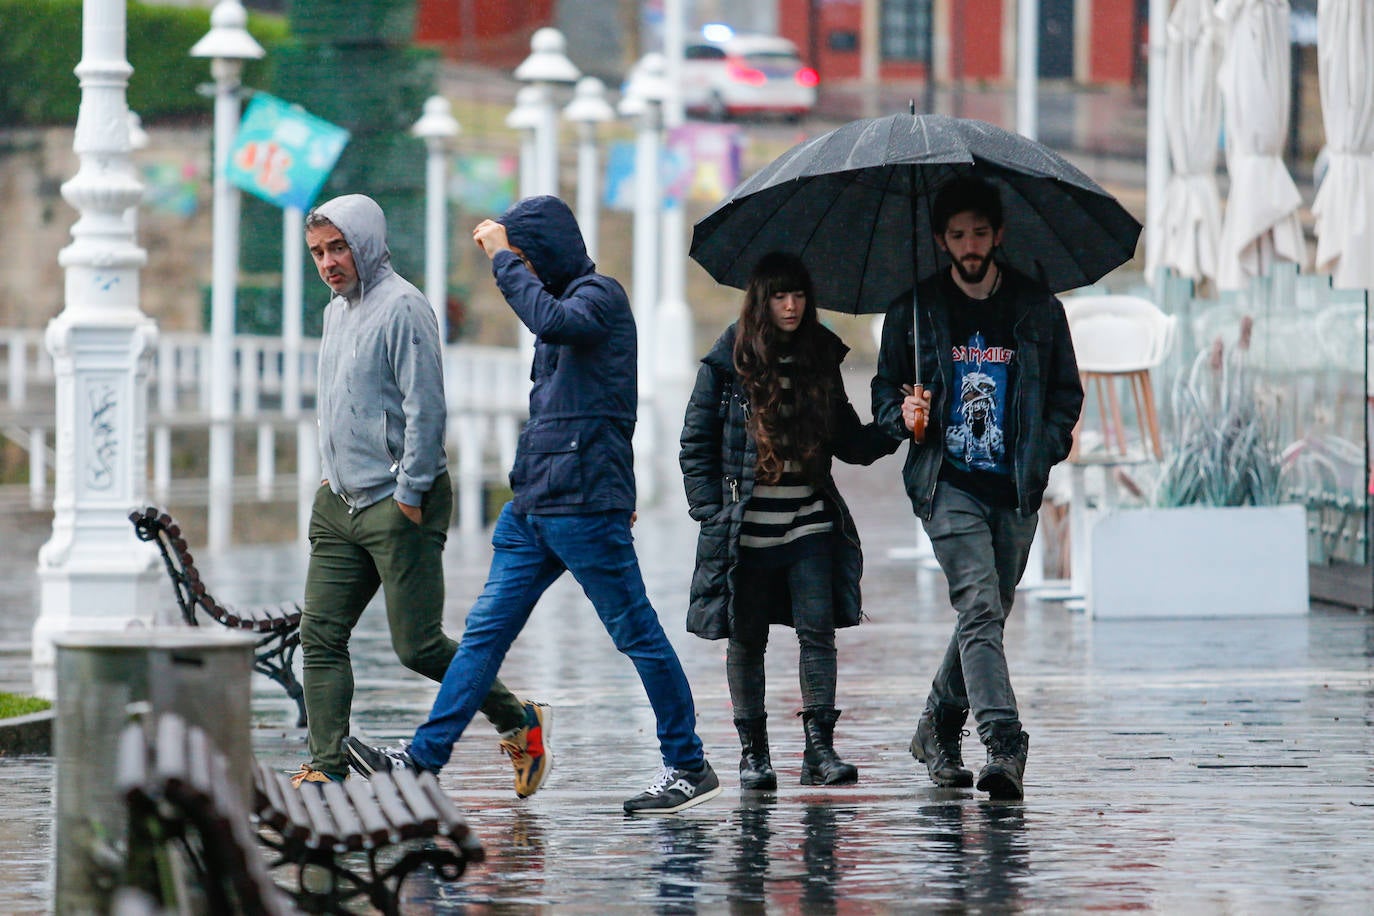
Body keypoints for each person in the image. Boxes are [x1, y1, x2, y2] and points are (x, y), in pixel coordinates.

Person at [342, 195, 721, 815]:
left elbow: (552, 322)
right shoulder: (566, 308)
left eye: (523, 257)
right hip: (536, 505)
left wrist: (500, 258)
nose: (518, 269)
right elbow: (571, 399)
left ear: (543, 253)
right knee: (482, 639)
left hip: (584, 505)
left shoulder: (600, 298)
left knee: (637, 635)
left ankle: (687, 764)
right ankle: (422, 761)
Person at [293, 194, 550, 797]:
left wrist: (408, 492)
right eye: (318, 253)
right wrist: (330, 474)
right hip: (340, 502)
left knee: (417, 646)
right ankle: (325, 764)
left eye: (338, 248)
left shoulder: (404, 307)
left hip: (400, 500)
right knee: (320, 634)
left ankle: (517, 719)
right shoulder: (335, 312)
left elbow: (426, 409)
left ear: (366, 243)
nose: (329, 262)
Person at [871, 176, 1083, 800]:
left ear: (998, 236)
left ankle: (936, 726)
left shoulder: (1037, 307)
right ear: (940, 240)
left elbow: (1065, 395)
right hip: (948, 483)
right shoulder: (914, 309)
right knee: (979, 607)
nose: (970, 245)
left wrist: (1043, 452)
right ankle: (1003, 741)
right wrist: (901, 417)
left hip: (1015, 486)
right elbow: (885, 389)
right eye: (957, 235)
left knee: (987, 611)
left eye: (980, 234)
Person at [680, 252, 898, 790]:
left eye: (798, 295)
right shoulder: (727, 362)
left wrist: (898, 425)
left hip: (808, 524)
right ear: (761, 300)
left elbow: (850, 441)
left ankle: (819, 751)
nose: (791, 305)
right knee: (746, 639)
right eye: (779, 296)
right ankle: (754, 755)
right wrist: (711, 512)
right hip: (746, 532)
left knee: (817, 634)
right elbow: (695, 444)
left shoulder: (820, 357)